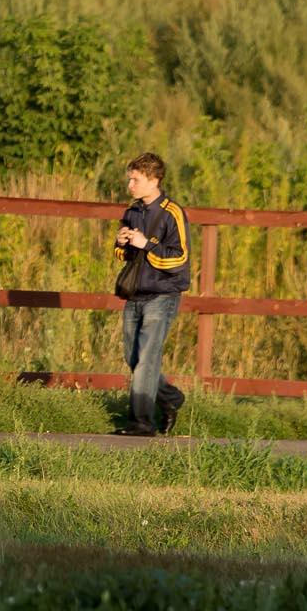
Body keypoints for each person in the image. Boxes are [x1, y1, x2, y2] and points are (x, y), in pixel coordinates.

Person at [113, 151, 193, 436]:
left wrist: (146, 243)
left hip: (162, 294)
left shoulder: (173, 213)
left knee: (147, 358)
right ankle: (170, 399)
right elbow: (123, 254)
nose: (130, 185)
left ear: (153, 180)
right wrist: (122, 242)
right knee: (133, 357)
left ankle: (140, 423)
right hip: (135, 293)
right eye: (130, 179)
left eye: (135, 180)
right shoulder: (132, 211)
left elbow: (179, 259)